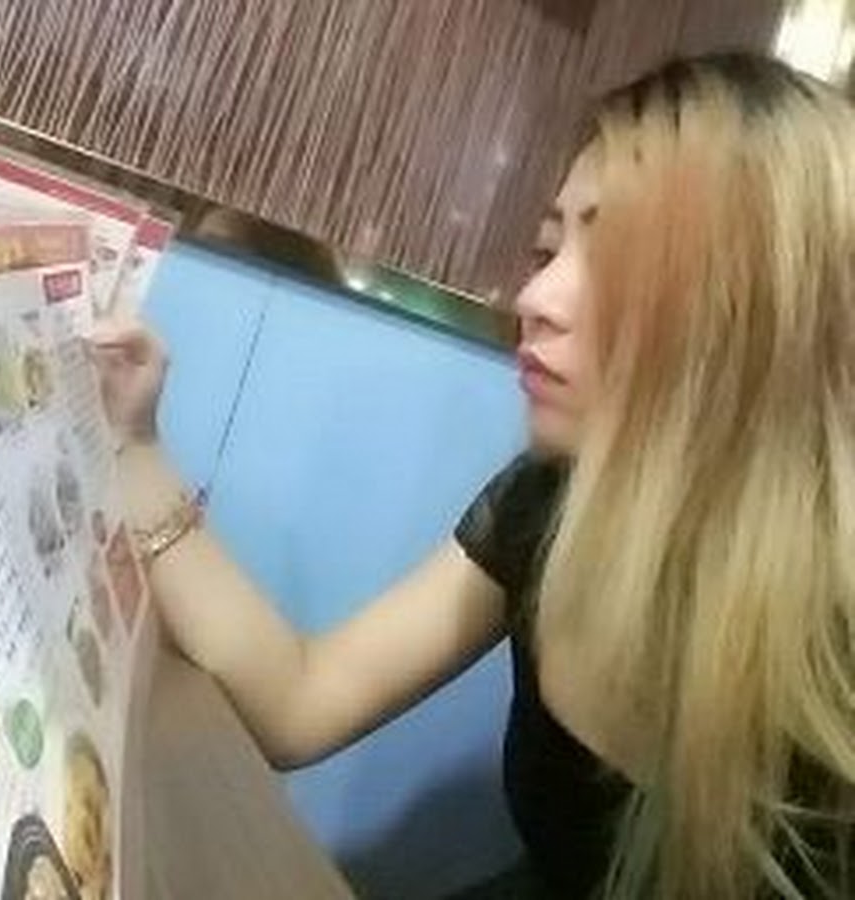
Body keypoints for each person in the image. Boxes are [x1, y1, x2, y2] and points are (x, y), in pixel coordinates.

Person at [91, 53, 855, 900]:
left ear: (767, 318)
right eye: (547, 249)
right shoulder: (548, 502)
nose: (537, 298)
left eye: (617, 260)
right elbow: (302, 701)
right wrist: (136, 443)